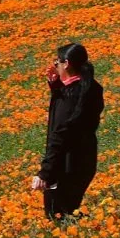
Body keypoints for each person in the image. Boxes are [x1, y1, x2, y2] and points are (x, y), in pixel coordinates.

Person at [32, 43, 105, 221]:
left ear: (67, 64)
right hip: (83, 160)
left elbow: (61, 134)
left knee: (57, 217)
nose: (54, 65)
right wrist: (57, 87)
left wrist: (45, 173)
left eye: (56, 61)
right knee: (67, 212)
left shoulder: (71, 97)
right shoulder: (90, 88)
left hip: (66, 165)